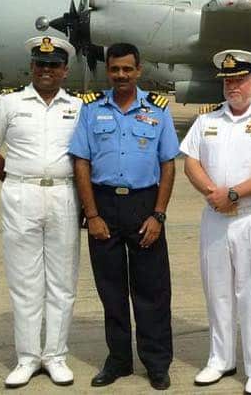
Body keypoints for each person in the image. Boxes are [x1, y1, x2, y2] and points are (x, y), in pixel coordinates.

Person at [180, 50, 251, 395]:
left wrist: (234, 195)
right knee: (217, 290)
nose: (233, 87)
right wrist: (215, 194)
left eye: (240, 80)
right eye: (228, 81)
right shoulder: (206, 120)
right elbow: (191, 162)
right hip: (215, 216)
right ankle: (220, 358)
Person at [68, 43, 179, 390]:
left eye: (127, 69)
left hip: (144, 204)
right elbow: (81, 163)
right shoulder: (91, 110)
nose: (120, 76)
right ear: (108, 71)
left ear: (138, 70)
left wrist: (158, 215)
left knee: (153, 291)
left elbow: (168, 164)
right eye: (115, 69)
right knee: (111, 291)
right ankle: (118, 361)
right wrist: (92, 214)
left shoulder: (158, 111)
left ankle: (157, 363)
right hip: (104, 207)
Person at [0, 35, 82, 388]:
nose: (46, 70)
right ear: (31, 67)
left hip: (64, 195)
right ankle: (27, 357)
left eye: (53, 65)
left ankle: (55, 355)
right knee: (25, 281)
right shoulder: (9, 103)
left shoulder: (78, 107)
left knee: (62, 282)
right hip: (22, 194)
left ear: (65, 70)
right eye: (40, 64)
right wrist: (12, 179)